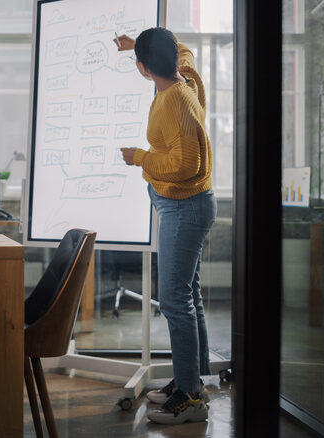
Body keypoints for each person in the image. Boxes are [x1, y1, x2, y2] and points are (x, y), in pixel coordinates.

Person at [115, 28, 215, 424]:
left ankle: (190, 398)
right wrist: (134, 46)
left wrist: (140, 157)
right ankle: (193, 380)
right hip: (184, 205)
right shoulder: (185, 76)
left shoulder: (175, 99)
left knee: (175, 300)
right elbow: (182, 50)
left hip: (184, 207)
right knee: (188, 294)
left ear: (142, 68)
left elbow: (186, 165)